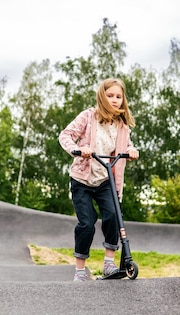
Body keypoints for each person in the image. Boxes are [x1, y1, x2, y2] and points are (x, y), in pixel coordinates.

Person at [58, 78, 139, 282]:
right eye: (110, 95)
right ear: (102, 96)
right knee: (87, 222)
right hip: (82, 179)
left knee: (113, 215)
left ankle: (109, 264)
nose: (114, 100)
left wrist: (131, 151)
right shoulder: (88, 116)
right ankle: (79, 272)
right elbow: (65, 135)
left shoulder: (121, 125)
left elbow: (126, 145)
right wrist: (78, 149)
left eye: (118, 96)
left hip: (105, 178)